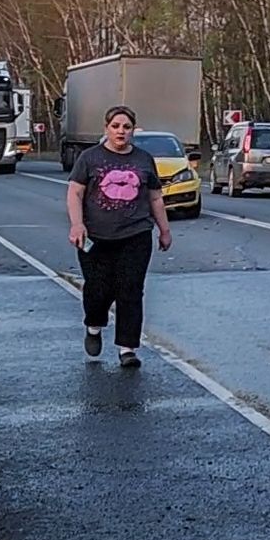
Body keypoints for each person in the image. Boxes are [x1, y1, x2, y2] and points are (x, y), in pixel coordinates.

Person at [66, 105, 171, 368]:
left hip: (136, 234)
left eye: (126, 127)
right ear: (106, 129)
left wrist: (164, 230)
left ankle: (127, 348)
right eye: (115, 126)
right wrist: (77, 224)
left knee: (131, 289)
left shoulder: (144, 160)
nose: (121, 131)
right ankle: (94, 325)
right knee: (98, 289)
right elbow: (75, 193)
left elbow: (155, 198)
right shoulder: (89, 158)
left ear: (133, 130)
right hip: (96, 237)